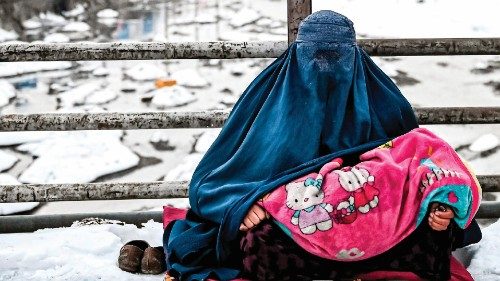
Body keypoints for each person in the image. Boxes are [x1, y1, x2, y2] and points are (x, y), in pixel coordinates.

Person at [163, 10, 481, 281]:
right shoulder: (268, 98)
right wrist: (242, 204)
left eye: (336, 58)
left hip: (375, 220)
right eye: (315, 57)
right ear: (298, 53)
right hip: (288, 224)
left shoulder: (382, 101)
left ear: (354, 56)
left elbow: (416, 162)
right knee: (255, 240)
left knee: (430, 229)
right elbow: (213, 178)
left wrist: (437, 203)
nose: (325, 68)